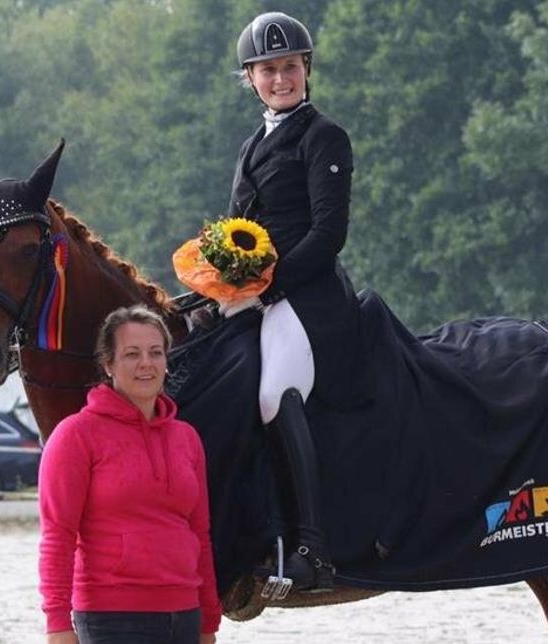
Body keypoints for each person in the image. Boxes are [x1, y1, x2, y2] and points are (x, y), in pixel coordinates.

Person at [217, 10, 361, 592]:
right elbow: (236, 232)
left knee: (276, 393)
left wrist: (270, 285)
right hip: (259, 297)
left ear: (307, 70)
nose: (282, 79)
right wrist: (217, 284)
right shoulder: (253, 145)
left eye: (291, 67)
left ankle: (313, 549)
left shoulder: (324, 136)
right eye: (269, 69)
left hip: (309, 298)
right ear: (250, 78)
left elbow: (328, 235)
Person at [38, 305, 222, 643]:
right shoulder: (76, 435)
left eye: (155, 353)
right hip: (112, 616)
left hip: (184, 613)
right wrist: (57, 624)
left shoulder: (186, 438)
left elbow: (200, 534)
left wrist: (209, 619)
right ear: (108, 364)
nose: (146, 364)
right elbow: (57, 536)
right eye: (131, 354)